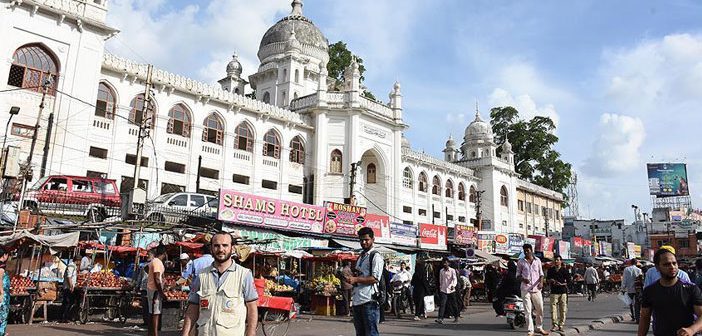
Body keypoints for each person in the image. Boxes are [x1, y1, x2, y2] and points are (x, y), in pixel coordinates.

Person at [181, 232, 258, 336]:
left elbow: (252, 307)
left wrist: (251, 332)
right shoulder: (202, 275)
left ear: (232, 248)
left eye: (225, 245)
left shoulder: (244, 275)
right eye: (216, 246)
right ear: (212, 248)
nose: (221, 249)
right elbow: (193, 308)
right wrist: (185, 334)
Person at [638, 248, 702, 336]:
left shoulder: (690, 288)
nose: (672, 267)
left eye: (674, 263)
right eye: (667, 264)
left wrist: (691, 330)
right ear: (657, 267)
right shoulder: (650, 291)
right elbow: (645, 317)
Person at [344, 227, 383, 336]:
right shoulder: (361, 257)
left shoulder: (376, 256)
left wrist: (356, 279)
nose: (364, 242)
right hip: (357, 300)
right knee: (360, 333)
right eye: (361, 240)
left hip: (369, 300)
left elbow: (375, 278)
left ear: (373, 239)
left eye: (366, 240)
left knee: (371, 333)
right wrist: (352, 278)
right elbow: (360, 275)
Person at [517, 244, 549, 336]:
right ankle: (530, 330)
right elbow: (518, 275)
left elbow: (541, 274)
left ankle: (539, 327)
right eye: (525, 251)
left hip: (536, 288)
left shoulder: (537, 261)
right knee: (528, 310)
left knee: (540, 309)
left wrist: (541, 282)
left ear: (531, 250)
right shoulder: (521, 262)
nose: (526, 252)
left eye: (528, 250)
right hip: (525, 289)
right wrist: (523, 279)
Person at [148, 245, 167, 336]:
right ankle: (155, 334)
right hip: (155, 291)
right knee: (155, 314)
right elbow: (157, 278)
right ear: (164, 253)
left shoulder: (154, 261)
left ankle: (151, 333)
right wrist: (161, 292)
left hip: (153, 289)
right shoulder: (157, 262)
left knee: (153, 313)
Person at [547, 255, 570, 332]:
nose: (556, 261)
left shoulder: (565, 270)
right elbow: (547, 280)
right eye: (555, 260)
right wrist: (551, 281)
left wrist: (562, 284)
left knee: (563, 309)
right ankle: (554, 325)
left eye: (557, 260)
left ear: (561, 261)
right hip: (553, 292)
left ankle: (561, 325)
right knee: (553, 310)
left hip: (563, 292)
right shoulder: (550, 270)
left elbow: (569, 281)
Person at [436, 257, 459, 324]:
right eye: (444, 263)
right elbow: (441, 280)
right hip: (443, 289)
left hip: (451, 289)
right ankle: (440, 318)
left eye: (446, 263)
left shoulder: (452, 270)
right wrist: (440, 288)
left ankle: (456, 316)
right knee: (442, 304)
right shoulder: (441, 271)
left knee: (454, 304)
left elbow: (455, 279)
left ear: (448, 263)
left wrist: (453, 285)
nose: (445, 264)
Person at [622, 258, 643, 323]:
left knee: (630, 303)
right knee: (637, 304)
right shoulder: (639, 270)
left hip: (629, 289)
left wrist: (623, 287)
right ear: (636, 263)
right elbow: (640, 280)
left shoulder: (626, 269)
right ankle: (637, 317)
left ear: (630, 262)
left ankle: (633, 316)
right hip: (637, 289)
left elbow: (624, 279)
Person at [61, 255, 80, 322]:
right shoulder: (71, 266)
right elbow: (69, 277)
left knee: (70, 302)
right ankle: (64, 318)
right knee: (68, 302)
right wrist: (71, 286)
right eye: (79, 261)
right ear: (77, 260)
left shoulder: (73, 266)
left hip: (70, 286)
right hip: (67, 287)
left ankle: (66, 317)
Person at [0, 247, 9, 335]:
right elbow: (0, 279)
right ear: (4, 255)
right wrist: (2, 293)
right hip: (2, 293)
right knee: (3, 312)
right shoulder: (1, 266)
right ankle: (1, 332)